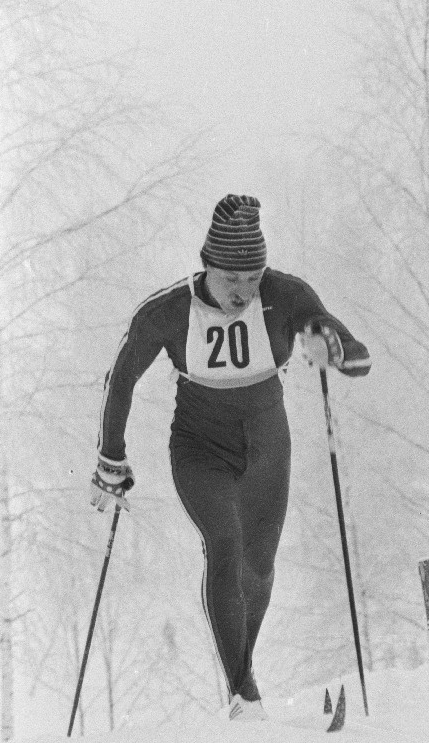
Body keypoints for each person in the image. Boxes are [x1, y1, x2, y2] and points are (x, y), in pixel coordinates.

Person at [90, 194, 371, 722]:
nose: (243, 291)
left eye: (252, 277)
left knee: (260, 567)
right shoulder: (168, 310)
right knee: (225, 541)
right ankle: (245, 693)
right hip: (199, 448)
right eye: (230, 278)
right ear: (207, 266)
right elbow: (121, 377)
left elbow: (357, 355)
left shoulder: (286, 295)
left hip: (269, 443)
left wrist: (330, 347)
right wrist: (111, 459)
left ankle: (244, 678)